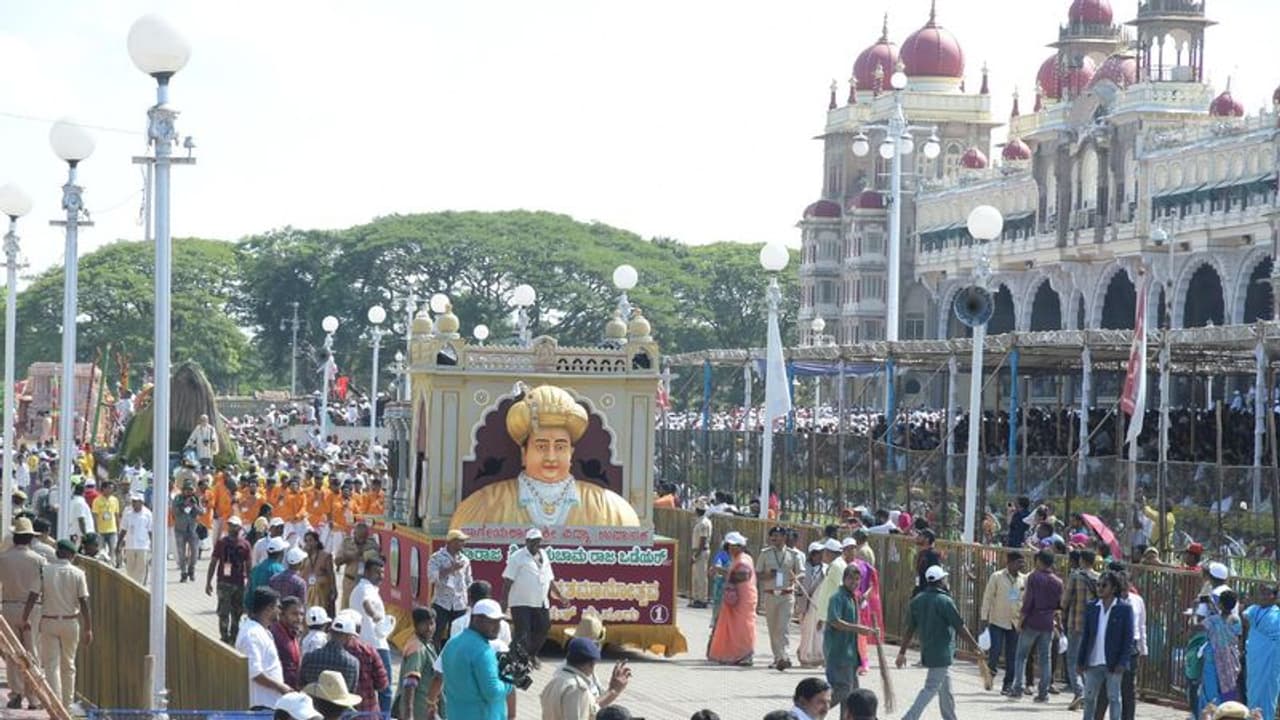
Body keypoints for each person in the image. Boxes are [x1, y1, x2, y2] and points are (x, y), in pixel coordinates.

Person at [448, 384, 640, 528]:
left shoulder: (611, 509)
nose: (551, 457)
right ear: (524, 454)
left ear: (571, 454)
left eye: (560, 447)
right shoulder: (484, 505)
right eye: (541, 446)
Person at [894, 565, 979, 720]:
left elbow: (909, 630)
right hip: (942, 653)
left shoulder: (917, 601)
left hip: (928, 651)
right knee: (930, 688)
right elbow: (960, 627)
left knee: (945, 689)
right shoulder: (945, 601)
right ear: (940, 581)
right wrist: (975, 647)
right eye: (945, 579)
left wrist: (902, 652)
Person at [21, 539, 91, 710]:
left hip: (49, 621)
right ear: (71, 555)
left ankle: (56, 703)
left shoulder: (44, 571)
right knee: (69, 665)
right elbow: (84, 602)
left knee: (51, 665)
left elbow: (33, 596)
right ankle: (67, 705)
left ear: (58, 553)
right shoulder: (78, 574)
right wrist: (88, 628)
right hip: (70, 622)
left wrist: (25, 618)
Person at [439, 598, 513, 720]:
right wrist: (509, 680)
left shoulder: (452, 643)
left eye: (498, 622)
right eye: (492, 622)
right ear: (476, 620)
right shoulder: (483, 651)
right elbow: (493, 692)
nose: (497, 627)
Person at [0, 517, 46, 709]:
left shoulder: (3, 558)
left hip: (8, 606)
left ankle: (16, 693)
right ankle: (34, 697)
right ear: (30, 538)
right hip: (32, 608)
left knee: (12, 653)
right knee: (32, 651)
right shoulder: (39, 560)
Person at [1077, 571, 1135, 720]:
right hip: (1093, 661)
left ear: (1114, 588)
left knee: (1114, 698)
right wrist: (1081, 661)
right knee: (1089, 697)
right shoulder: (1092, 607)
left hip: (1113, 663)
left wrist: (1122, 662)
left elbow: (1128, 639)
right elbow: (1086, 636)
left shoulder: (1124, 609)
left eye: (1104, 585)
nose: (1100, 588)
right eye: (1098, 585)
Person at [503, 527, 565, 663]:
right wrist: (504, 603)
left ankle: (531, 654)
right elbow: (507, 581)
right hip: (521, 602)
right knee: (522, 632)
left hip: (540, 602)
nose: (536, 544)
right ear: (526, 541)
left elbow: (549, 578)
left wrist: (560, 596)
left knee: (544, 627)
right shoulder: (517, 557)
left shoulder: (544, 555)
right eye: (532, 541)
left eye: (538, 541)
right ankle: (519, 660)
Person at [824, 564, 876, 717]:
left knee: (852, 695)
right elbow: (835, 621)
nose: (854, 582)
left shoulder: (853, 598)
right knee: (843, 689)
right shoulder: (837, 598)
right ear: (844, 579)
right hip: (839, 653)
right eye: (851, 579)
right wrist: (858, 629)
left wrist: (871, 630)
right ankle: (814, 711)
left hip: (851, 654)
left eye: (857, 579)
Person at [1011, 549, 1063, 702]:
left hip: (1032, 621)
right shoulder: (1058, 582)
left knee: (1021, 656)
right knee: (1045, 659)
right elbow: (1058, 605)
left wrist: (1020, 621)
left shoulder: (1034, 577)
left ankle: (1018, 688)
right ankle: (1043, 693)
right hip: (1048, 623)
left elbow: (1028, 601)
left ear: (1039, 561)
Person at [539, 637, 631, 720]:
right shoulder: (576, 688)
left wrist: (613, 691)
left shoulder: (555, 682)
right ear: (592, 664)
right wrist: (613, 690)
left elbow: (590, 708)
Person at [349, 556, 393, 712]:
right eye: (376, 572)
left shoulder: (364, 589)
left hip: (364, 644)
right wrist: (375, 615)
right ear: (366, 572)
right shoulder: (364, 589)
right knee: (385, 689)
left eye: (382, 572)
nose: (380, 576)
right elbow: (366, 603)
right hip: (376, 644)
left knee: (365, 688)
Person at [707, 531, 757, 666]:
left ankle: (745, 655)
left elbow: (742, 575)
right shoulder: (736, 559)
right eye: (729, 546)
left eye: (734, 546)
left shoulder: (743, 560)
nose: (731, 548)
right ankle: (733, 654)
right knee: (732, 627)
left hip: (744, 599)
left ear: (741, 547)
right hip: (734, 598)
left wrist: (722, 571)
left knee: (743, 627)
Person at [237, 586, 291, 709]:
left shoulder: (261, 631)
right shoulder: (252, 635)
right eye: (278, 607)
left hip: (269, 703)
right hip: (260, 705)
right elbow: (255, 673)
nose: (280, 611)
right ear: (268, 608)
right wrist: (281, 687)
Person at [758, 525, 803, 670]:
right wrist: (768, 575)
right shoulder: (765, 553)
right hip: (770, 594)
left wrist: (796, 578)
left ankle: (784, 656)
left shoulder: (793, 554)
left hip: (786, 595)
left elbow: (802, 572)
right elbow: (758, 573)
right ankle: (777, 657)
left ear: (784, 537)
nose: (774, 538)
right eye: (772, 536)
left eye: (777, 536)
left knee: (783, 627)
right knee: (773, 628)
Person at [980, 551, 1025, 695]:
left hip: (1014, 622)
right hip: (997, 621)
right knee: (995, 652)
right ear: (1010, 563)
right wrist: (984, 617)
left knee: (1012, 656)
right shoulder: (997, 577)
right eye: (1019, 562)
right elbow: (988, 597)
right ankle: (990, 675)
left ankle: (1008, 684)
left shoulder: (1023, 579)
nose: (1021, 565)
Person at [207, 515, 253, 643]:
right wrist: (208, 581)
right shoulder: (221, 543)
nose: (232, 528)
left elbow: (249, 566)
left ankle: (234, 636)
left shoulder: (245, 544)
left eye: (234, 525)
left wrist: (249, 583)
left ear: (240, 528)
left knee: (237, 613)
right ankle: (224, 637)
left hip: (238, 583)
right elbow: (213, 562)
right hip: (224, 582)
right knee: (223, 612)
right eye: (230, 525)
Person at [1063, 549, 1100, 708]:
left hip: (1076, 623)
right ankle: (1089, 693)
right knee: (1088, 660)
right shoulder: (1099, 578)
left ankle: (1079, 691)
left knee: (1073, 660)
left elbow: (1065, 601)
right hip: (1093, 626)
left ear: (1081, 560)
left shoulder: (1075, 576)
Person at [427, 528, 473, 650]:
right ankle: (435, 657)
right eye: (460, 541)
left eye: (463, 541)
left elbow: (468, 580)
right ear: (451, 542)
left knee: (456, 635)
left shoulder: (465, 560)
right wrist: (450, 569)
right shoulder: (436, 557)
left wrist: (469, 599)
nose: (463, 544)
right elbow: (432, 577)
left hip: (460, 604)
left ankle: (452, 657)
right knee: (436, 633)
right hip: (441, 602)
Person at [1242, 583, 1280, 720]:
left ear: (1274, 597)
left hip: (1269, 660)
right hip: (1254, 659)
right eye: (1262, 593)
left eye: (1267, 593)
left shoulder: (1277, 614)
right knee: (1252, 689)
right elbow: (1244, 617)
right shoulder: (1254, 609)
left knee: (1268, 691)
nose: (1263, 596)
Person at [398, 606, 442, 720]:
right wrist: (409, 714)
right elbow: (410, 682)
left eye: (432, 623)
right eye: (424, 624)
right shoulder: (417, 648)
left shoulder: (427, 644)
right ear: (416, 625)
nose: (429, 628)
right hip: (419, 710)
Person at [299, 610, 360, 691]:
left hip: (311, 698)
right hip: (339, 699)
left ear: (330, 631)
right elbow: (351, 691)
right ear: (349, 637)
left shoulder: (309, 657)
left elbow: (301, 684)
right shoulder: (353, 663)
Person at [334, 519, 379, 610]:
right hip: (350, 581)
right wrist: (350, 556)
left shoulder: (372, 544)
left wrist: (368, 558)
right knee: (347, 609)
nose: (361, 540)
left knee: (364, 609)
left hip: (365, 583)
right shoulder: (347, 543)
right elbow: (337, 561)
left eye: (364, 537)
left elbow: (378, 563)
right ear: (354, 534)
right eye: (359, 537)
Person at [797, 541, 827, 668]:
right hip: (805, 605)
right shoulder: (803, 569)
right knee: (807, 632)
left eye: (821, 553)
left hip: (818, 605)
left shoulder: (826, 569)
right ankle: (804, 657)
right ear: (811, 555)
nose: (820, 556)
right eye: (817, 553)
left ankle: (817, 658)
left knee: (818, 633)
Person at [172, 479, 205, 582]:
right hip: (180, 530)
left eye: (190, 490)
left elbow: (202, 512)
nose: (189, 492)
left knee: (194, 552)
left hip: (193, 530)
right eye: (187, 490)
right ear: (183, 490)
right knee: (181, 553)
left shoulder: (196, 499)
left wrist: (194, 506)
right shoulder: (177, 498)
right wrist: (183, 505)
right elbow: (174, 512)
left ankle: (191, 569)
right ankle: (183, 572)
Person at [118, 492, 153, 585]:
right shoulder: (128, 513)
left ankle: (140, 586)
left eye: (136, 501)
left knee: (141, 569)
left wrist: (153, 546)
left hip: (143, 546)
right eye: (133, 501)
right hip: (130, 545)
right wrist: (119, 544)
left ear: (141, 502)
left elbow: (150, 531)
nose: (133, 503)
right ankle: (132, 586)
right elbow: (123, 529)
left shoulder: (148, 514)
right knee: (130, 569)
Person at [301, 530, 338, 618]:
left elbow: (331, 574)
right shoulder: (303, 557)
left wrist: (334, 589)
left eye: (310, 540)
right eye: (306, 541)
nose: (308, 543)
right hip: (309, 593)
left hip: (323, 592)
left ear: (316, 542)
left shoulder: (325, 556)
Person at [272, 595, 306, 691]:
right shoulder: (274, 634)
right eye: (294, 614)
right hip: (278, 690)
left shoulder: (292, 633)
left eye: (301, 614)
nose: (299, 618)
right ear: (282, 614)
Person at [91, 480, 120, 564]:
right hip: (101, 531)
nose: (111, 490)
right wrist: (96, 530)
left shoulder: (115, 500)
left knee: (113, 550)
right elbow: (95, 516)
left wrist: (118, 528)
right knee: (101, 552)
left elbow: (116, 515)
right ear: (104, 488)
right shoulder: (97, 500)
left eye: (112, 488)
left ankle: (112, 565)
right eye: (109, 488)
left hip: (112, 529)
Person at [690, 499, 712, 608]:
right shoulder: (702, 521)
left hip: (701, 551)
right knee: (696, 576)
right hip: (699, 550)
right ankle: (697, 598)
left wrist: (696, 555)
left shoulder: (703, 523)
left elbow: (702, 540)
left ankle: (702, 599)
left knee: (701, 577)